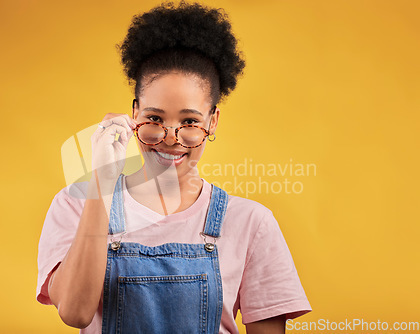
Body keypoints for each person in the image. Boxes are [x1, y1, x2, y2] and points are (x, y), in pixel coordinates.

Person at [36, 1, 312, 333]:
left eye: (189, 121)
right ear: (134, 113)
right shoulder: (74, 204)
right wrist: (101, 180)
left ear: (213, 121)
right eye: (154, 118)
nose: (170, 138)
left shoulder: (251, 223)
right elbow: (75, 313)